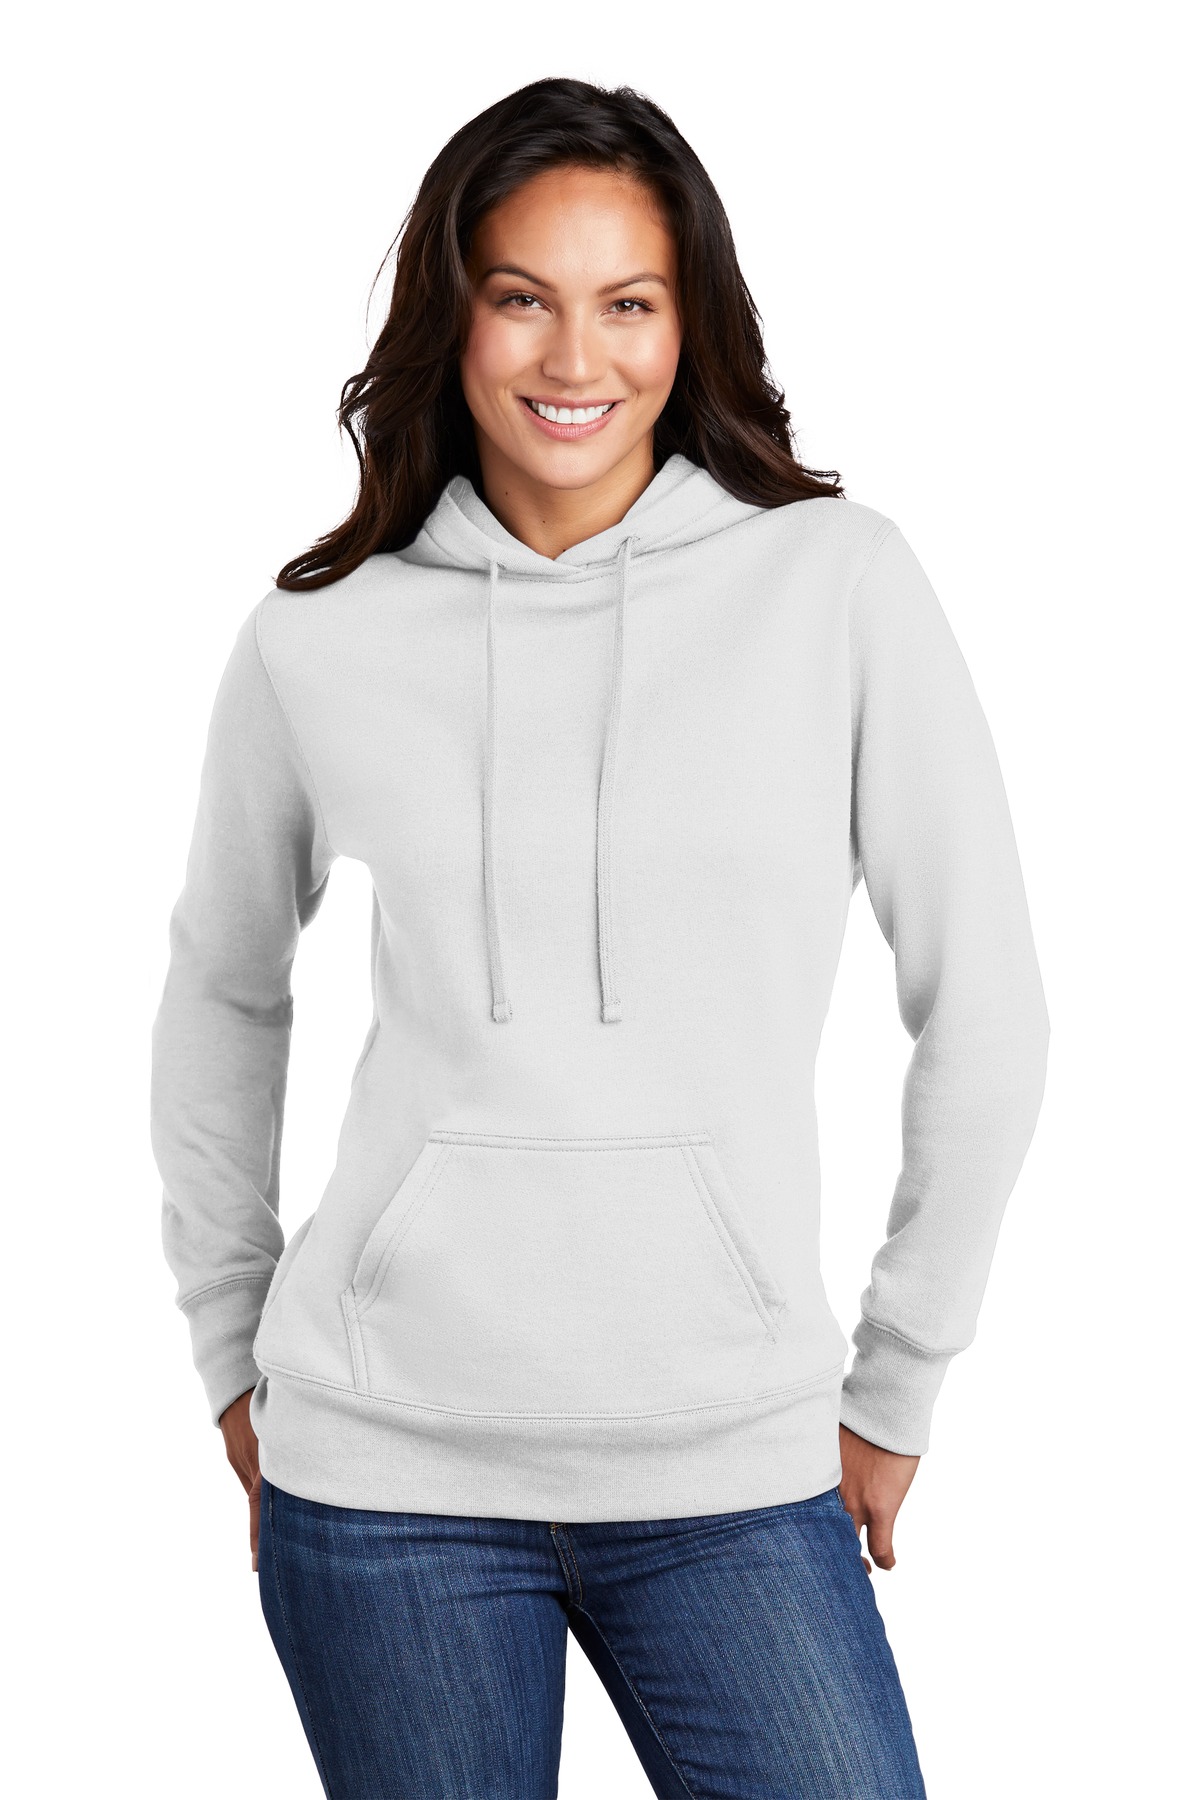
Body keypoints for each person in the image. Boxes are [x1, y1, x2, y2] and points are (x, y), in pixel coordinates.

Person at [150, 75, 1050, 1800]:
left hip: (734, 1467)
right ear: (454, 316)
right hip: (385, 1479)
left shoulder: (836, 585)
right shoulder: (322, 634)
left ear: (689, 321)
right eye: (523, 298)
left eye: (628, 302)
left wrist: (898, 1382)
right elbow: (221, 992)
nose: (577, 358)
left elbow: (990, 1008)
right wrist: (227, 1341)